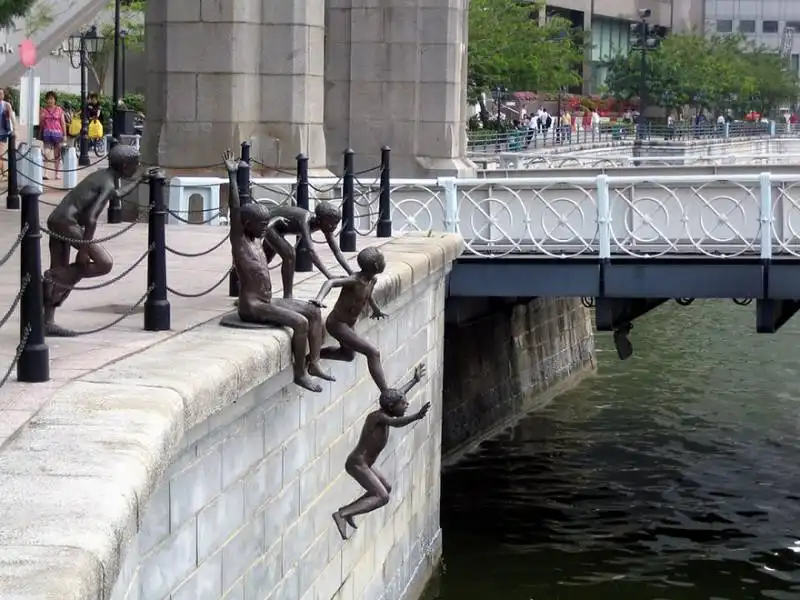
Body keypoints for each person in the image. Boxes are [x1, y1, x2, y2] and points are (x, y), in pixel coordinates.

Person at [222, 149, 334, 393]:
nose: (265, 230)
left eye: (266, 225)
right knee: (300, 322)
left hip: (267, 301)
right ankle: (299, 373)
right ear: (247, 224)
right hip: (252, 307)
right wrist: (232, 176)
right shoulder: (240, 241)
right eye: (261, 226)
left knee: (313, 311)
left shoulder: (256, 241)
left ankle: (313, 362)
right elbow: (235, 208)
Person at [43, 145, 149, 336]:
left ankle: (47, 321)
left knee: (64, 272)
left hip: (56, 219)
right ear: (125, 166)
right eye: (135, 164)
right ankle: (53, 277)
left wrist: (140, 179)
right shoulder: (108, 183)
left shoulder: (104, 176)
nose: (137, 166)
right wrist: (83, 251)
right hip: (67, 223)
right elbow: (92, 219)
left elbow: (116, 194)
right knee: (104, 263)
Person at [332, 363, 429, 540]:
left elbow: (398, 393)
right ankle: (343, 513)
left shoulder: (388, 410)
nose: (407, 404)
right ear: (392, 407)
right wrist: (415, 416)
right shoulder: (379, 418)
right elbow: (397, 423)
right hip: (357, 464)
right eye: (403, 404)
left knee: (387, 487)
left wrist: (414, 381)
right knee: (382, 497)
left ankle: (352, 511)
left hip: (365, 463)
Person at [310, 246, 390, 391]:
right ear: (377, 265)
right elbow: (331, 282)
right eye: (383, 260)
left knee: (348, 355)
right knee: (373, 353)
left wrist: (376, 309)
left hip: (349, 324)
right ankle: (386, 392)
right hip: (337, 324)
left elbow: (368, 295)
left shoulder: (372, 280)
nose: (385, 262)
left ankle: (311, 358)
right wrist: (319, 298)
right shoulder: (355, 280)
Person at [260, 201, 355, 299]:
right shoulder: (305, 219)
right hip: (271, 223)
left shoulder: (325, 225)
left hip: (279, 229)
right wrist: (329, 275)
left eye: (336, 224)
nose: (333, 227)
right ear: (319, 220)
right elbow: (311, 251)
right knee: (290, 254)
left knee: (263, 260)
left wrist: (351, 272)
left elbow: (336, 250)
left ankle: (246, 283)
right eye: (331, 224)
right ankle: (288, 296)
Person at [39, 91, 66, 180]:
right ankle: (46, 173)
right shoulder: (43, 110)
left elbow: (63, 123)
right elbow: (41, 123)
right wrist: (41, 118)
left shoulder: (59, 110)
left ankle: (57, 173)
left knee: (57, 155)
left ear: (55, 100)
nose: (50, 100)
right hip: (47, 135)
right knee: (47, 154)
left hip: (58, 135)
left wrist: (64, 135)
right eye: (48, 99)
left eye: (52, 98)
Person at [0, 89, 14, 179]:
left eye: (0, 94)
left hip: (3, 132)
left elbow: (12, 118)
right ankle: (3, 173)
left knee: (0, 153)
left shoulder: (6, 105)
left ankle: (1, 174)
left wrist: (15, 130)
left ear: (3, 95)